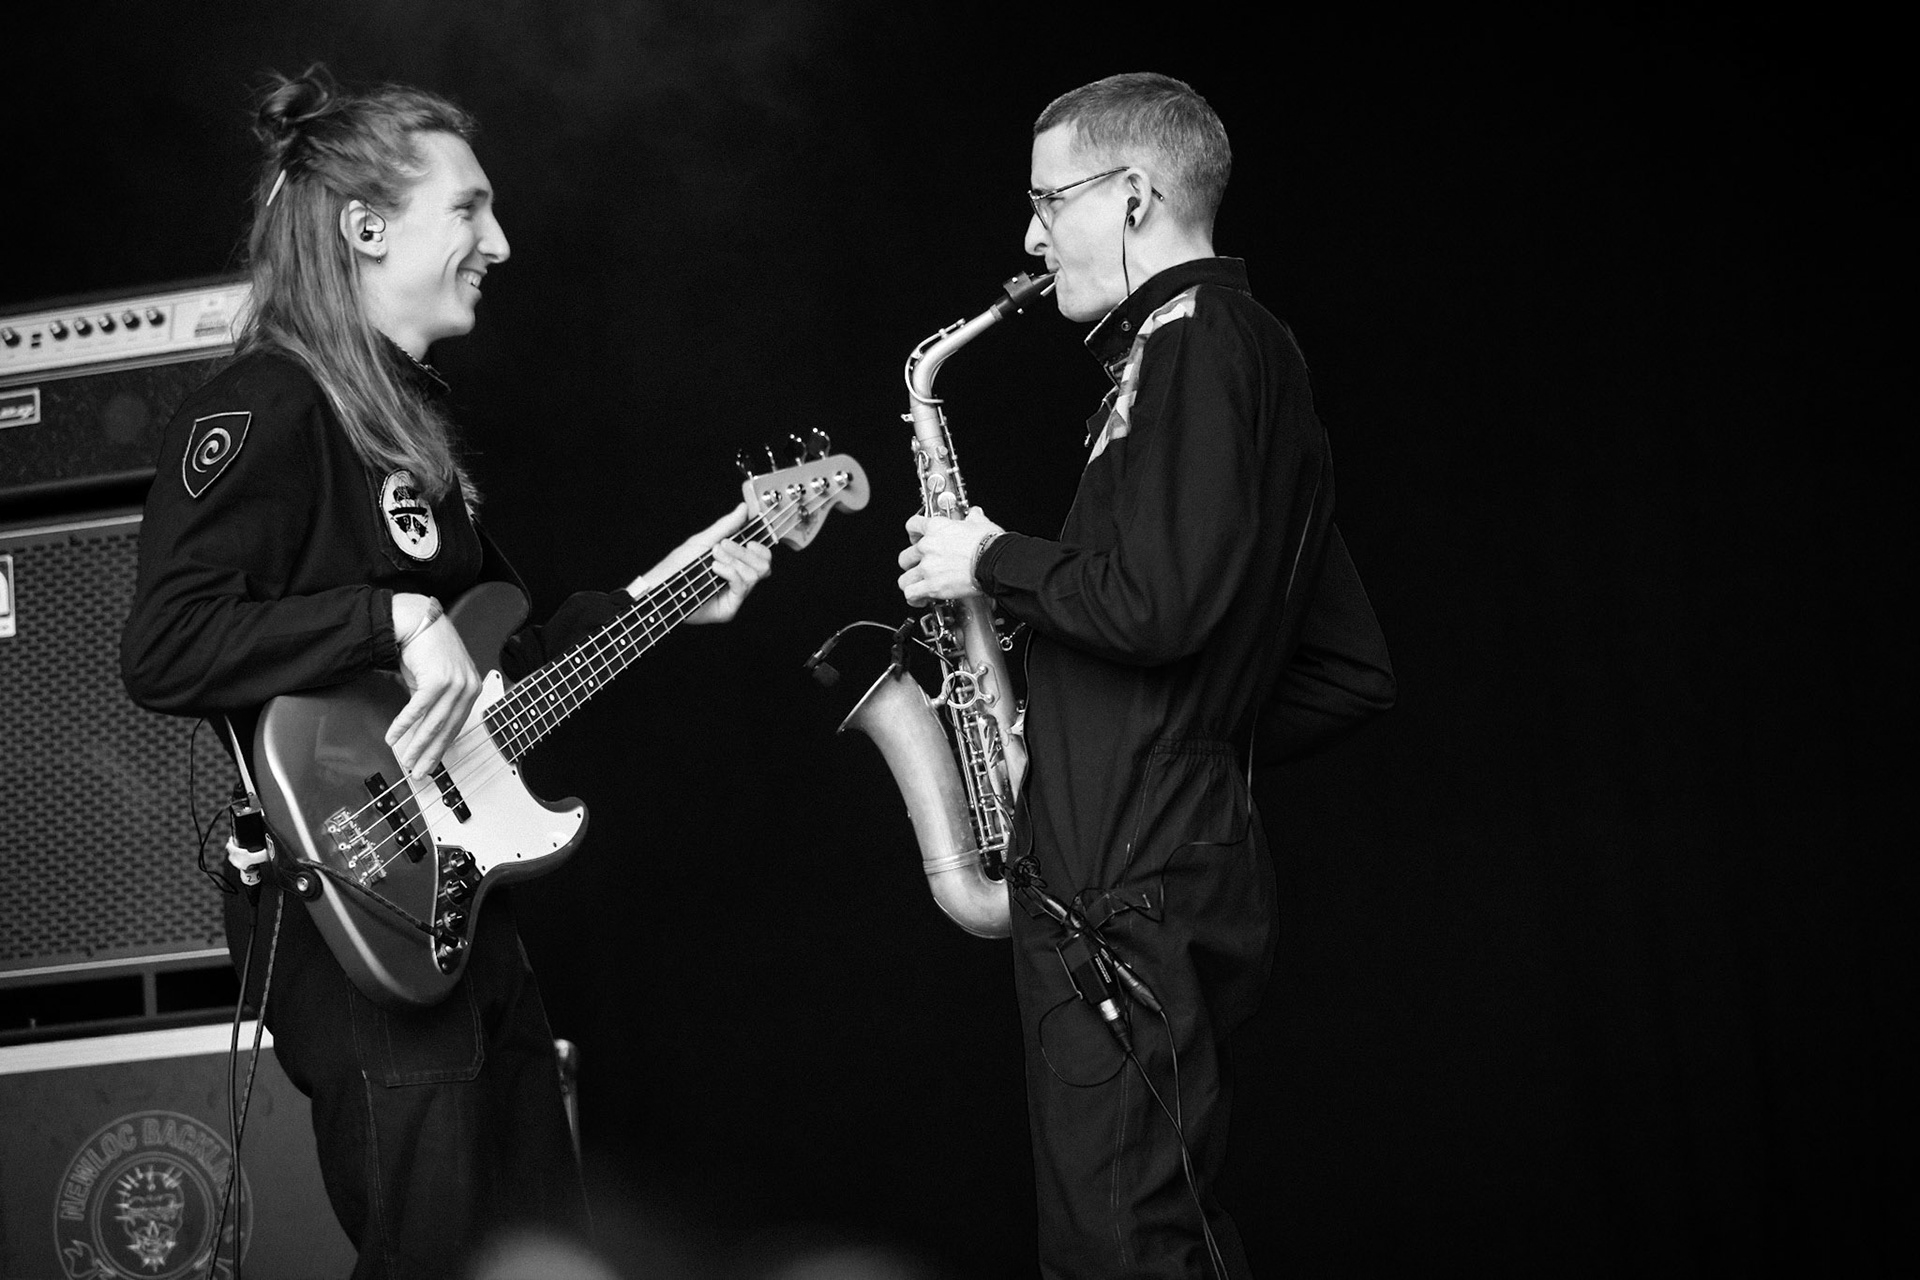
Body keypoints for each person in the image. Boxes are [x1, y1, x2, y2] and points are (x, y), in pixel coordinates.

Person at [119, 66, 771, 1278]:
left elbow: (503, 667)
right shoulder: (269, 406)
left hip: (467, 905)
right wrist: (390, 614)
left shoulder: (400, 424)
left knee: (535, 1248)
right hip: (354, 891)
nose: (501, 242)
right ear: (367, 227)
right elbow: (165, 644)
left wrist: (670, 594)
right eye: (469, 209)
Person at [897, 73, 1396, 1278]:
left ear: (1133, 196)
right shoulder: (1239, 356)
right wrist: (1167, 741)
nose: (1029, 237)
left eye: (1046, 201)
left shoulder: (1195, 347)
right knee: (1141, 1226)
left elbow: (1161, 605)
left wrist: (990, 559)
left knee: (1116, 1240)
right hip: (1153, 852)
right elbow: (1345, 668)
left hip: (1119, 874)